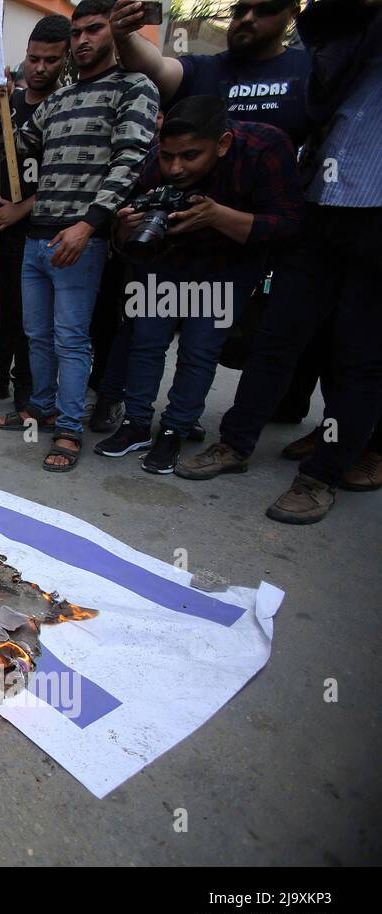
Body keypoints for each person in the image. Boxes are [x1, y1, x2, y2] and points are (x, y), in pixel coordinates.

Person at [175, 0, 382, 523]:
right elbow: (324, 32)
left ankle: (321, 476)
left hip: (377, 219)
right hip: (320, 206)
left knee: (357, 356)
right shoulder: (343, 42)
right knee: (275, 339)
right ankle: (236, 445)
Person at [94, 96, 301, 474]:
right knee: (146, 342)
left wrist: (220, 217)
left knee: (199, 349)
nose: (175, 167)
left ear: (222, 143)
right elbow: (126, 233)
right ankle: (136, 423)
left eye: (190, 156)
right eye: (168, 155)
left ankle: (176, 427)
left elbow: (288, 223)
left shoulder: (263, 147)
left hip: (229, 265)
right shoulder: (158, 160)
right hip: (167, 260)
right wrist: (126, 227)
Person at [0, 0, 158, 473]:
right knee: (37, 335)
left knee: (70, 339)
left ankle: (68, 429)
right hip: (36, 237)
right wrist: (2, 112)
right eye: (78, 32)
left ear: (113, 33)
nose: (83, 40)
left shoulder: (134, 87)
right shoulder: (59, 101)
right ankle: (43, 407)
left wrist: (88, 227)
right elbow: (18, 147)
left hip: (78, 241)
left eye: (94, 29)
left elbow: (129, 164)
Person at [0, 15, 71, 412]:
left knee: (32, 315)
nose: (39, 67)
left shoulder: (66, 108)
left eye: (50, 60)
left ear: (66, 60)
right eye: (33, 58)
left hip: (41, 228)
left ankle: (28, 385)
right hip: (1, 228)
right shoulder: (5, 106)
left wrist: (20, 210)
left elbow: (66, 178)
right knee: (0, 305)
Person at [110, 0, 311, 146]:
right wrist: (125, 37)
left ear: (292, 13)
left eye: (265, 10)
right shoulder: (203, 68)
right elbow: (156, 68)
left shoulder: (308, 68)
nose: (247, 19)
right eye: (240, 10)